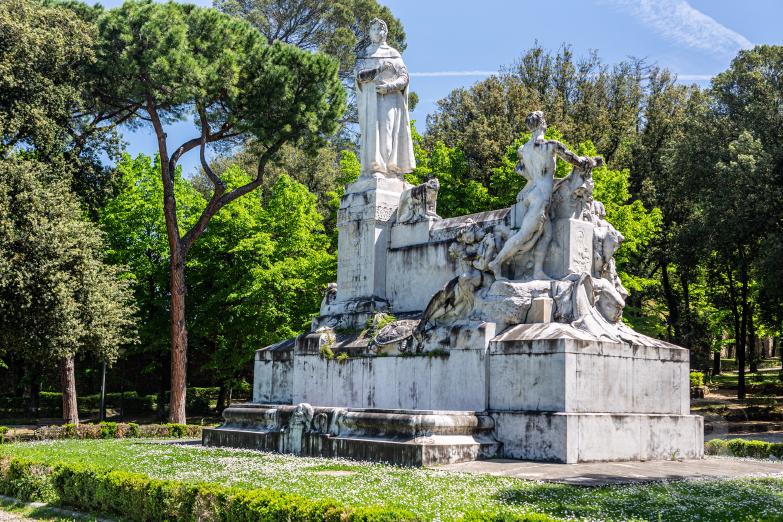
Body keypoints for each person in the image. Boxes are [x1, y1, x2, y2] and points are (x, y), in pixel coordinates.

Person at [487, 111, 596, 280]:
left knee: (547, 235)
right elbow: (575, 161)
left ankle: (538, 271)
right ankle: (496, 262)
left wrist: (526, 188)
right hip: (541, 198)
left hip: (534, 194)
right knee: (523, 235)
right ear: (543, 124)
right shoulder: (551, 145)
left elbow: (525, 172)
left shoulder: (524, 150)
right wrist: (589, 161)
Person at [355, 18, 415, 179]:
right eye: (373, 29)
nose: (376, 32)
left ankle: (391, 170)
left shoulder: (394, 54)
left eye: (379, 29)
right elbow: (360, 76)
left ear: (385, 32)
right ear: (369, 33)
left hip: (390, 100)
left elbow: (404, 78)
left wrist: (389, 87)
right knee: (372, 133)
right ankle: (375, 168)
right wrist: (379, 68)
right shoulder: (364, 54)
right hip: (370, 100)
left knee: (388, 132)